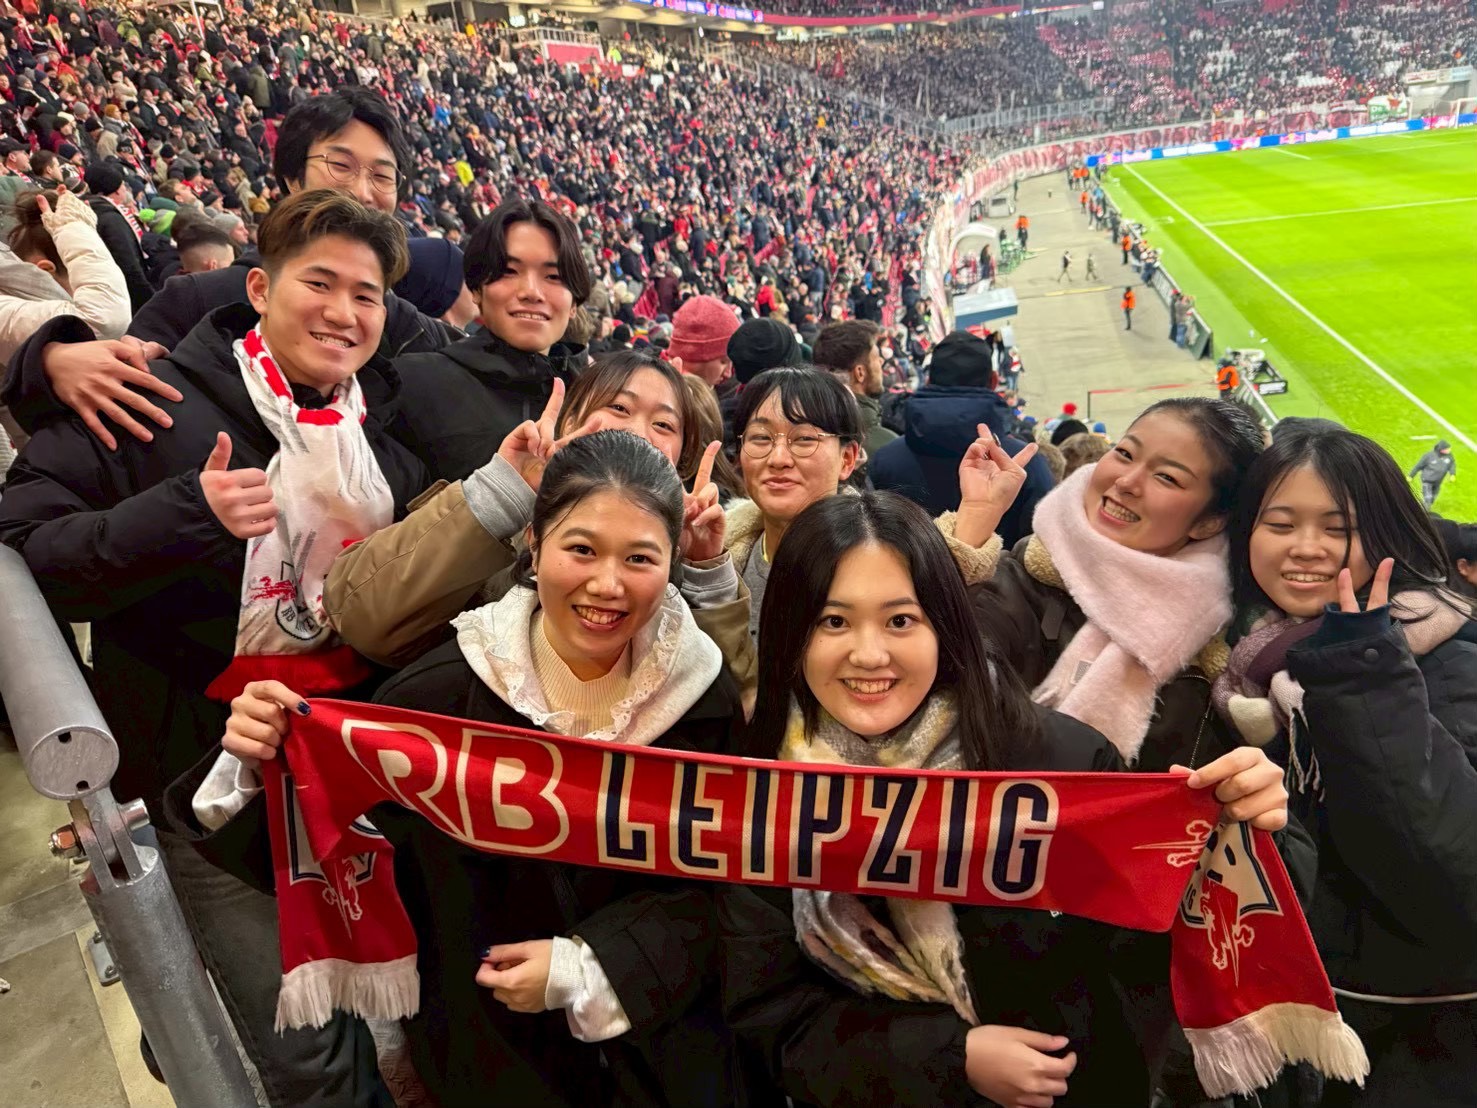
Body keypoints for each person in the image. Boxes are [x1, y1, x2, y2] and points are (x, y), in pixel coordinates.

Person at [0, 190, 429, 1106]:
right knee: (307, 1052)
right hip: (205, 789)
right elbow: (22, 552)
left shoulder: (385, 427)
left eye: (366, 295)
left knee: (384, 1003)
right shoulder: (151, 398)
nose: (343, 313)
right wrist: (181, 515)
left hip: (348, 770)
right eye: (320, 283)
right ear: (260, 289)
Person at [224, 431, 754, 1106]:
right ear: (533, 542)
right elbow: (341, 862)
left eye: (640, 557)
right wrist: (265, 757)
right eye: (581, 549)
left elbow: (734, 887)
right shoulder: (437, 699)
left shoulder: (703, 700)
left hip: (668, 1051)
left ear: (674, 559)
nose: (607, 584)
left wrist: (600, 964)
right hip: (492, 1053)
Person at [720, 491, 1291, 1107]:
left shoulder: (1065, 766)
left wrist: (1242, 831)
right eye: (833, 622)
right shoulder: (765, 797)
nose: (869, 654)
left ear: (945, 624)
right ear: (791, 633)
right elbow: (769, 1010)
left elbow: (1154, 951)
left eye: (900, 620)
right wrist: (948, 1056)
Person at [1219, 423, 1477, 1106]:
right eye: (1280, 524)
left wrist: (1360, 668)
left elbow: (1455, 883)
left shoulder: (1449, 661)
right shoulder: (1247, 664)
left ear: (1389, 535)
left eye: (1339, 528)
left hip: (1414, 1046)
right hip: (1301, 1023)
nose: (1306, 547)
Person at [2, 88, 456, 454]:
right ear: (292, 178)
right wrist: (49, 365)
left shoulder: (403, 325)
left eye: (382, 176)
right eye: (340, 165)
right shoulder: (194, 301)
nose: (362, 191)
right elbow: (89, 433)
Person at [978, 397, 1266, 771]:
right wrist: (972, 525)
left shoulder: (1232, 660)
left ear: (1210, 522)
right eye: (1125, 453)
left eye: (1166, 477)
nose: (1126, 482)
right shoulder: (1001, 581)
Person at [388, 195, 590, 481]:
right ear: (476, 290)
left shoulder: (597, 404)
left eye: (553, 276)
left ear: (574, 303)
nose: (531, 292)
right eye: (509, 271)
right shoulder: (411, 384)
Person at [870, 331, 1053, 547]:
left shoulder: (883, 460)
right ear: (994, 381)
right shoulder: (1026, 465)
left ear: (928, 381)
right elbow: (1042, 552)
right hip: (996, 568)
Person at [812, 319, 895, 460]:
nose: (881, 361)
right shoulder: (887, 447)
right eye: (876, 357)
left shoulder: (805, 429)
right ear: (860, 373)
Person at [82, 160, 154, 312]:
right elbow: (129, 263)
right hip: (129, 298)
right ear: (116, 191)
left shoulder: (95, 209)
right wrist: (151, 300)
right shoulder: (111, 219)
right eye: (123, 185)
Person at [1409, 439, 1456, 508]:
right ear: (1441, 450)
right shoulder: (1428, 456)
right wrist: (1410, 476)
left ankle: (1421, 506)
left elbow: (1452, 464)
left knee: (1432, 499)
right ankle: (1423, 512)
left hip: (1438, 482)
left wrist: (1452, 474)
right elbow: (1418, 466)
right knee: (1428, 499)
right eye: (1447, 448)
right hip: (1427, 481)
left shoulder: (1449, 456)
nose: (1449, 450)